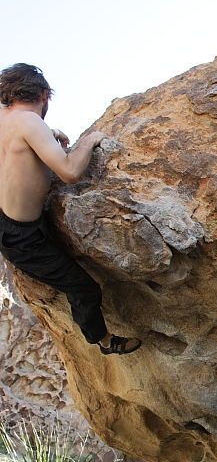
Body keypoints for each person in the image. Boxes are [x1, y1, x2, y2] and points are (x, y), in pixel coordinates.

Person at [0, 63, 142, 355]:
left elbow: (18, 153)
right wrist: (89, 141)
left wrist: (48, 138)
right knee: (84, 288)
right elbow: (69, 172)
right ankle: (103, 341)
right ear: (43, 95)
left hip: (9, 219)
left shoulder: (6, 118)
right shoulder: (30, 121)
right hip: (23, 238)